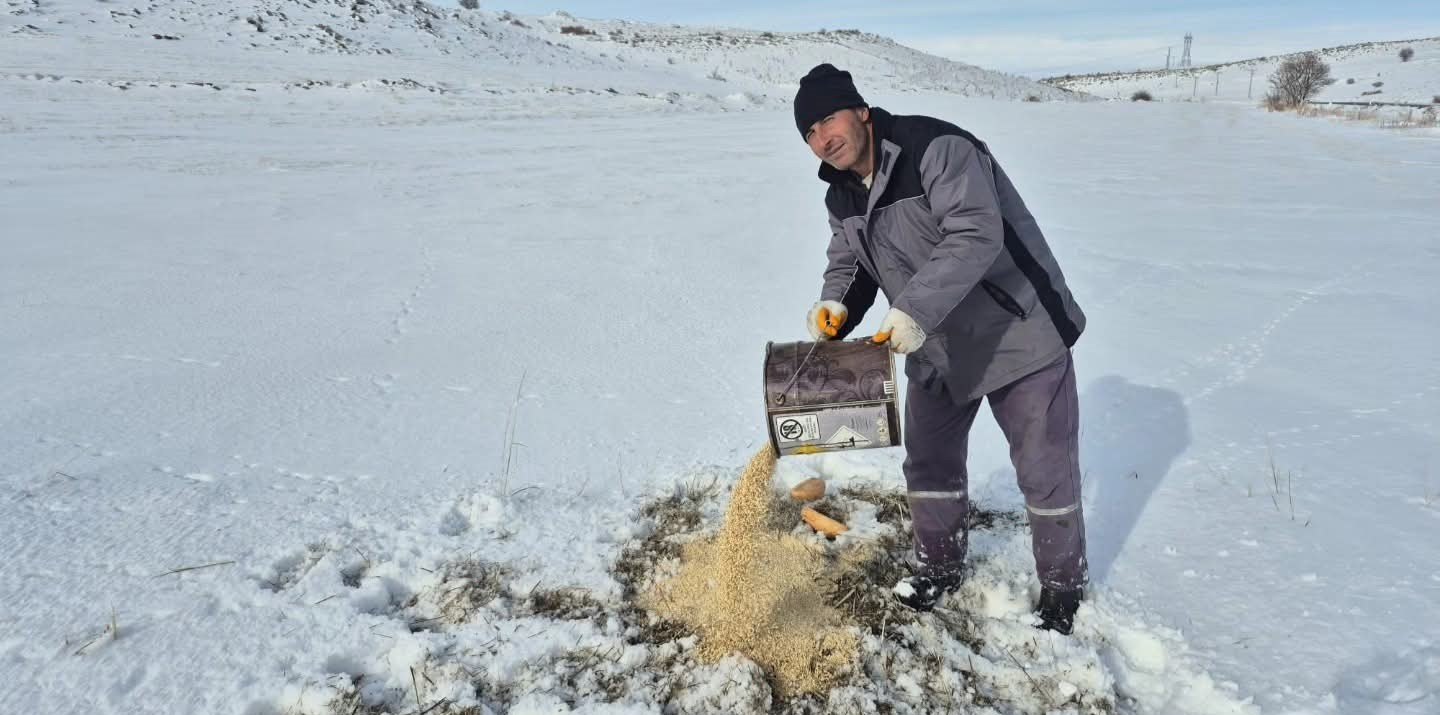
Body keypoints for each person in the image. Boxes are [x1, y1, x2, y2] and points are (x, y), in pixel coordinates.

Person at [794, 64, 1088, 634]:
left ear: (860, 111)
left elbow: (976, 233)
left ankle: (1061, 584)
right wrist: (837, 305)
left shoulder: (936, 148)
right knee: (928, 459)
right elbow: (851, 260)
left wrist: (913, 311)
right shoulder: (841, 194)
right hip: (932, 339)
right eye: (808, 132)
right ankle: (938, 565)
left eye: (829, 119)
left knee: (1043, 466)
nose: (822, 139)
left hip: (1015, 328)